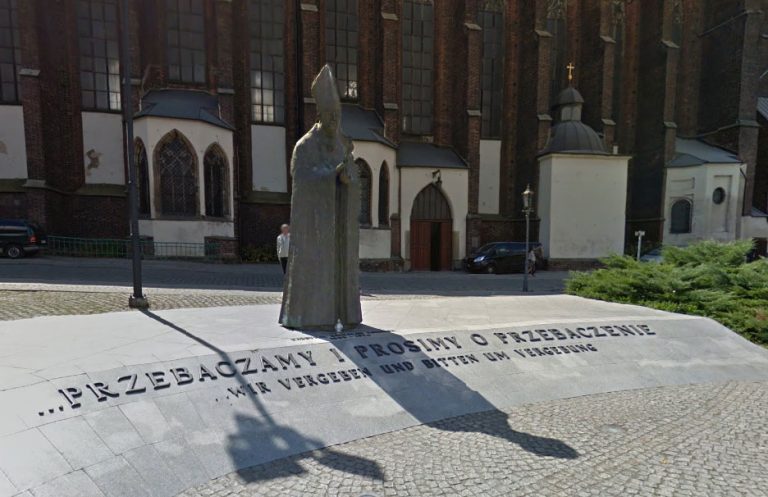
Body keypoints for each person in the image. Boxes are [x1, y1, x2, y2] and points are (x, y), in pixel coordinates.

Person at [279, 65, 362, 330]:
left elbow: (354, 177)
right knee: (314, 274)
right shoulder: (304, 146)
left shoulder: (341, 144)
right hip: (314, 233)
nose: (334, 121)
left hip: (338, 232)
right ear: (319, 115)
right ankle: (310, 317)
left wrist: (349, 181)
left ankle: (344, 313)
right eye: (330, 115)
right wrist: (331, 177)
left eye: (337, 116)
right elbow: (301, 180)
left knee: (340, 272)